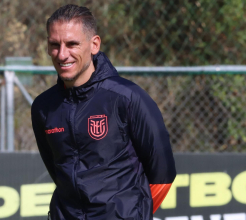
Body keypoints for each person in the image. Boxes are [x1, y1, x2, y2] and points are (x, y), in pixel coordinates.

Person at [31, 4, 176, 220]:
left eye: (72, 44)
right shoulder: (43, 107)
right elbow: (57, 172)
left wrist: (132, 215)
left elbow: (163, 175)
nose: (62, 54)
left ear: (94, 44)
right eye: (54, 45)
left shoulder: (128, 98)